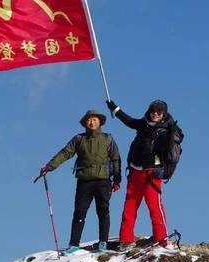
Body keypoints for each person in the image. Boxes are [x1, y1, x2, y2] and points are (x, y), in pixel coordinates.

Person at [40, 110, 121, 254]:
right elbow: (65, 153)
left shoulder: (108, 139)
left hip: (103, 180)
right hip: (84, 181)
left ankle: (103, 242)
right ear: (85, 123)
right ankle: (74, 244)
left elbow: (116, 159)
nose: (92, 122)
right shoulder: (79, 139)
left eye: (94, 119)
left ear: (100, 122)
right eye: (89, 120)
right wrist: (49, 166)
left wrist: (117, 180)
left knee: (103, 211)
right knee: (79, 212)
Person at [106, 99, 179, 250]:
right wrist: (115, 109)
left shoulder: (167, 130)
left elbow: (168, 151)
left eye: (159, 112)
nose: (155, 114)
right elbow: (129, 121)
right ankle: (126, 239)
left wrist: (171, 134)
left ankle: (161, 239)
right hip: (135, 172)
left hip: (152, 173)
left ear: (164, 114)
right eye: (153, 111)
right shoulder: (144, 123)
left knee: (154, 206)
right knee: (129, 207)